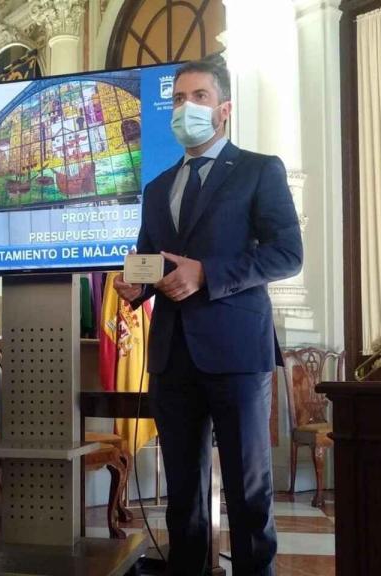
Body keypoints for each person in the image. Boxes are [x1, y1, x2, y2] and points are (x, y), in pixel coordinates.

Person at [113, 57, 303, 576]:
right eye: (177, 99)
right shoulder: (157, 188)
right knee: (182, 494)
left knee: (247, 488)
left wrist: (207, 274)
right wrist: (133, 286)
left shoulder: (259, 170)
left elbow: (288, 253)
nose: (185, 108)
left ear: (223, 109)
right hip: (173, 353)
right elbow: (149, 261)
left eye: (197, 97)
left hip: (237, 349)